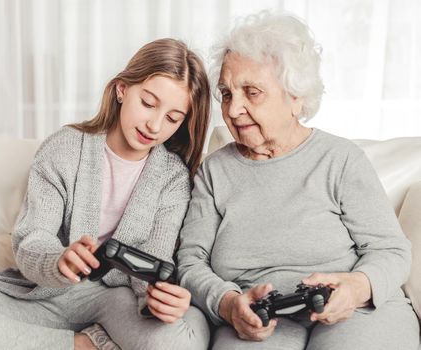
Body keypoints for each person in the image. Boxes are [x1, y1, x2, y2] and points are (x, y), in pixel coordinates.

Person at [177, 11, 420, 350]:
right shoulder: (214, 172)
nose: (232, 110)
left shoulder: (340, 159)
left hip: (356, 312)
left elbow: (391, 250)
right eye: (227, 93)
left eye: (252, 92)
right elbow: (190, 261)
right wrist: (228, 302)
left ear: (296, 97)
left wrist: (356, 287)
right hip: (259, 317)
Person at [0, 38, 211, 350]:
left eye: (173, 118)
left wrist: (158, 297)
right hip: (48, 293)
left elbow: (155, 258)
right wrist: (59, 260)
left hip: (120, 301)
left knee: (186, 337)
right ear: (122, 89)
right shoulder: (63, 148)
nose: (155, 124)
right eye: (148, 103)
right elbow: (33, 238)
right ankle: (83, 345)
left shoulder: (173, 178)